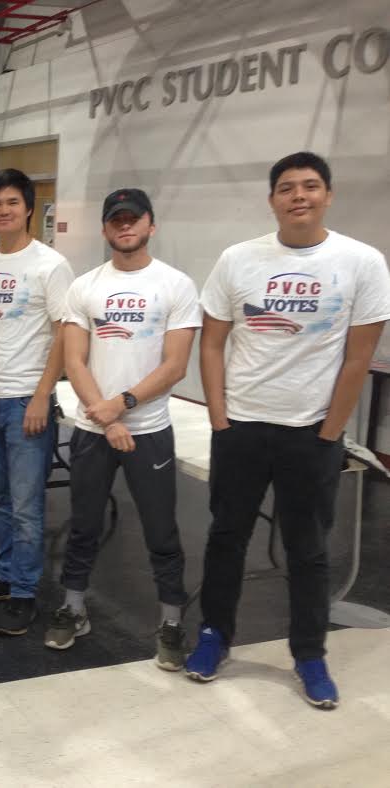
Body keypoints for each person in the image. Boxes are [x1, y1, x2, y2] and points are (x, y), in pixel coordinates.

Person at [185, 151, 390, 708]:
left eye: (310, 185)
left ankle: (309, 654)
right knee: (226, 538)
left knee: (308, 550)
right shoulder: (238, 259)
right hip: (243, 427)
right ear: (272, 199)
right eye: (287, 188)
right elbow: (211, 341)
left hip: (310, 434)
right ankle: (214, 637)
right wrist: (220, 417)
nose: (299, 195)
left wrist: (330, 432)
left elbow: (358, 358)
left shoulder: (361, 262)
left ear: (328, 194)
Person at [43, 189, 201, 670]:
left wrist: (123, 405)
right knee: (85, 524)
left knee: (161, 530)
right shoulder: (85, 287)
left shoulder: (176, 285)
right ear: (107, 228)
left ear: (151, 224)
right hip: (94, 429)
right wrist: (105, 416)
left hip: (148, 428)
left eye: (134, 219)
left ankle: (171, 621)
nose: (125, 226)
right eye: (117, 220)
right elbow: (74, 359)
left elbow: (175, 366)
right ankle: (73, 608)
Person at [0, 168, 74, 635]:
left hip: (24, 401)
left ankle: (26, 591)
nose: (3, 211)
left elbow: (64, 333)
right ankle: (6, 575)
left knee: (27, 504)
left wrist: (41, 396)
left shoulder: (49, 265)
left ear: (29, 207)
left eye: (12, 202)